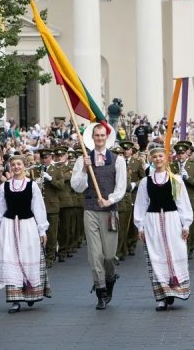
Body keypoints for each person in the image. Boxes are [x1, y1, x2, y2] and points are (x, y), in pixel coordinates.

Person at [71, 123, 127, 310]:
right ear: (92, 138)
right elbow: (76, 186)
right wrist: (85, 170)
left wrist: (110, 201)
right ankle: (100, 291)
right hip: (90, 209)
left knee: (109, 255)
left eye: (102, 135)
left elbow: (121, 187)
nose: (99, 138)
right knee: (95, 254)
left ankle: (110, 278)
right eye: (96, 135)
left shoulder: (117, 160)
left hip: (109, 211)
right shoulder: (83, 160)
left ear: (107, 137)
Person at [0, 154, 50, 314]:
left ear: (24, 166)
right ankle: (15, 300)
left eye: (19, 164)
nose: (16, 167)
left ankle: (30, 294)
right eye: (13, 165)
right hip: (9, 227)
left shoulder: (32, 186)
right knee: (12, 260)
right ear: (10, 167)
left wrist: (42, 229)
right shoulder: (5, 186)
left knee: (28, 258)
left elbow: (38, 207)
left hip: (28, 226)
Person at [134, 146, 192, 311]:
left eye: (160, 156)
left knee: (175, 253)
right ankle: (161, 296)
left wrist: (186, 223)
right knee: (156, 256)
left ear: (166, 158)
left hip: (172, 220)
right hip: (152, 221)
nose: (158, 159)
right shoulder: (146, 181)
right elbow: (141, 203)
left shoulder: (176, 180)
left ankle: (174, 289)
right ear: (151, 160)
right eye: (155, 157)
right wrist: (140, 226)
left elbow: (182, 201)